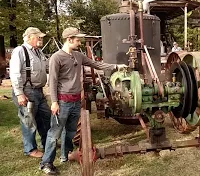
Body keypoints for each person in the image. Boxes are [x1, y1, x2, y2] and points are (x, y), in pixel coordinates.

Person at [40, 27, 127, 174]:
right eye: (78, 39)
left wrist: (116, 66)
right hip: (62, 101)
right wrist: (54, 102)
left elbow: (96, 64)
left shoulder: (78, 56)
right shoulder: (56, 57)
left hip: (75, 102)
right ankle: (46, 163)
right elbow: (52, 82)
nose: (80, 42)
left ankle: (65, 155)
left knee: (71, 131)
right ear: (69, 39)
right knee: (54, 133)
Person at [9, 27, 51, 158]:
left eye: (41, 37)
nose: (41, 39)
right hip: (26, 92)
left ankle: (47, 143)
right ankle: (31, 149)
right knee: (28, 121)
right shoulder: (20, 51)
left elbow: (48, 66)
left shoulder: (39, 53)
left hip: (39, 91)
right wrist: (19, 94)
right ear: (29, 38)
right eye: (38, 37)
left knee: (46, 118)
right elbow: (14, 73)